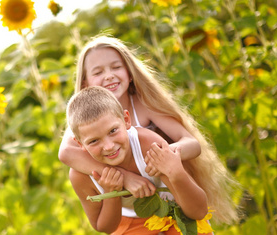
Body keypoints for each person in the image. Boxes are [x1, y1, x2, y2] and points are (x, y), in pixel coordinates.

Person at [66, 86, 243, 235]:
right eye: (94, 141)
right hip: (129, 225)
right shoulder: (80, 176)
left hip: (174, 209)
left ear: (126, 120)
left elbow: (198, 210)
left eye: (113, 131)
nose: (109, 146)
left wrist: (176, 172)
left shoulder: (149, 145)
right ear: (79, 144)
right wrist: (113, 191)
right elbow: (103, 226)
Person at [59, 35, 240, 224]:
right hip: (131, 203)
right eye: (98, 72)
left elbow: (192, 144)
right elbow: (65, 153)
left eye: (116, 67)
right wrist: (125, 178)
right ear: (86, 84)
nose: (109, 75)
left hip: (165, 187)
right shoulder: (87, 121)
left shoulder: (144, 104)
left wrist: (165, 156)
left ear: (129, 73)